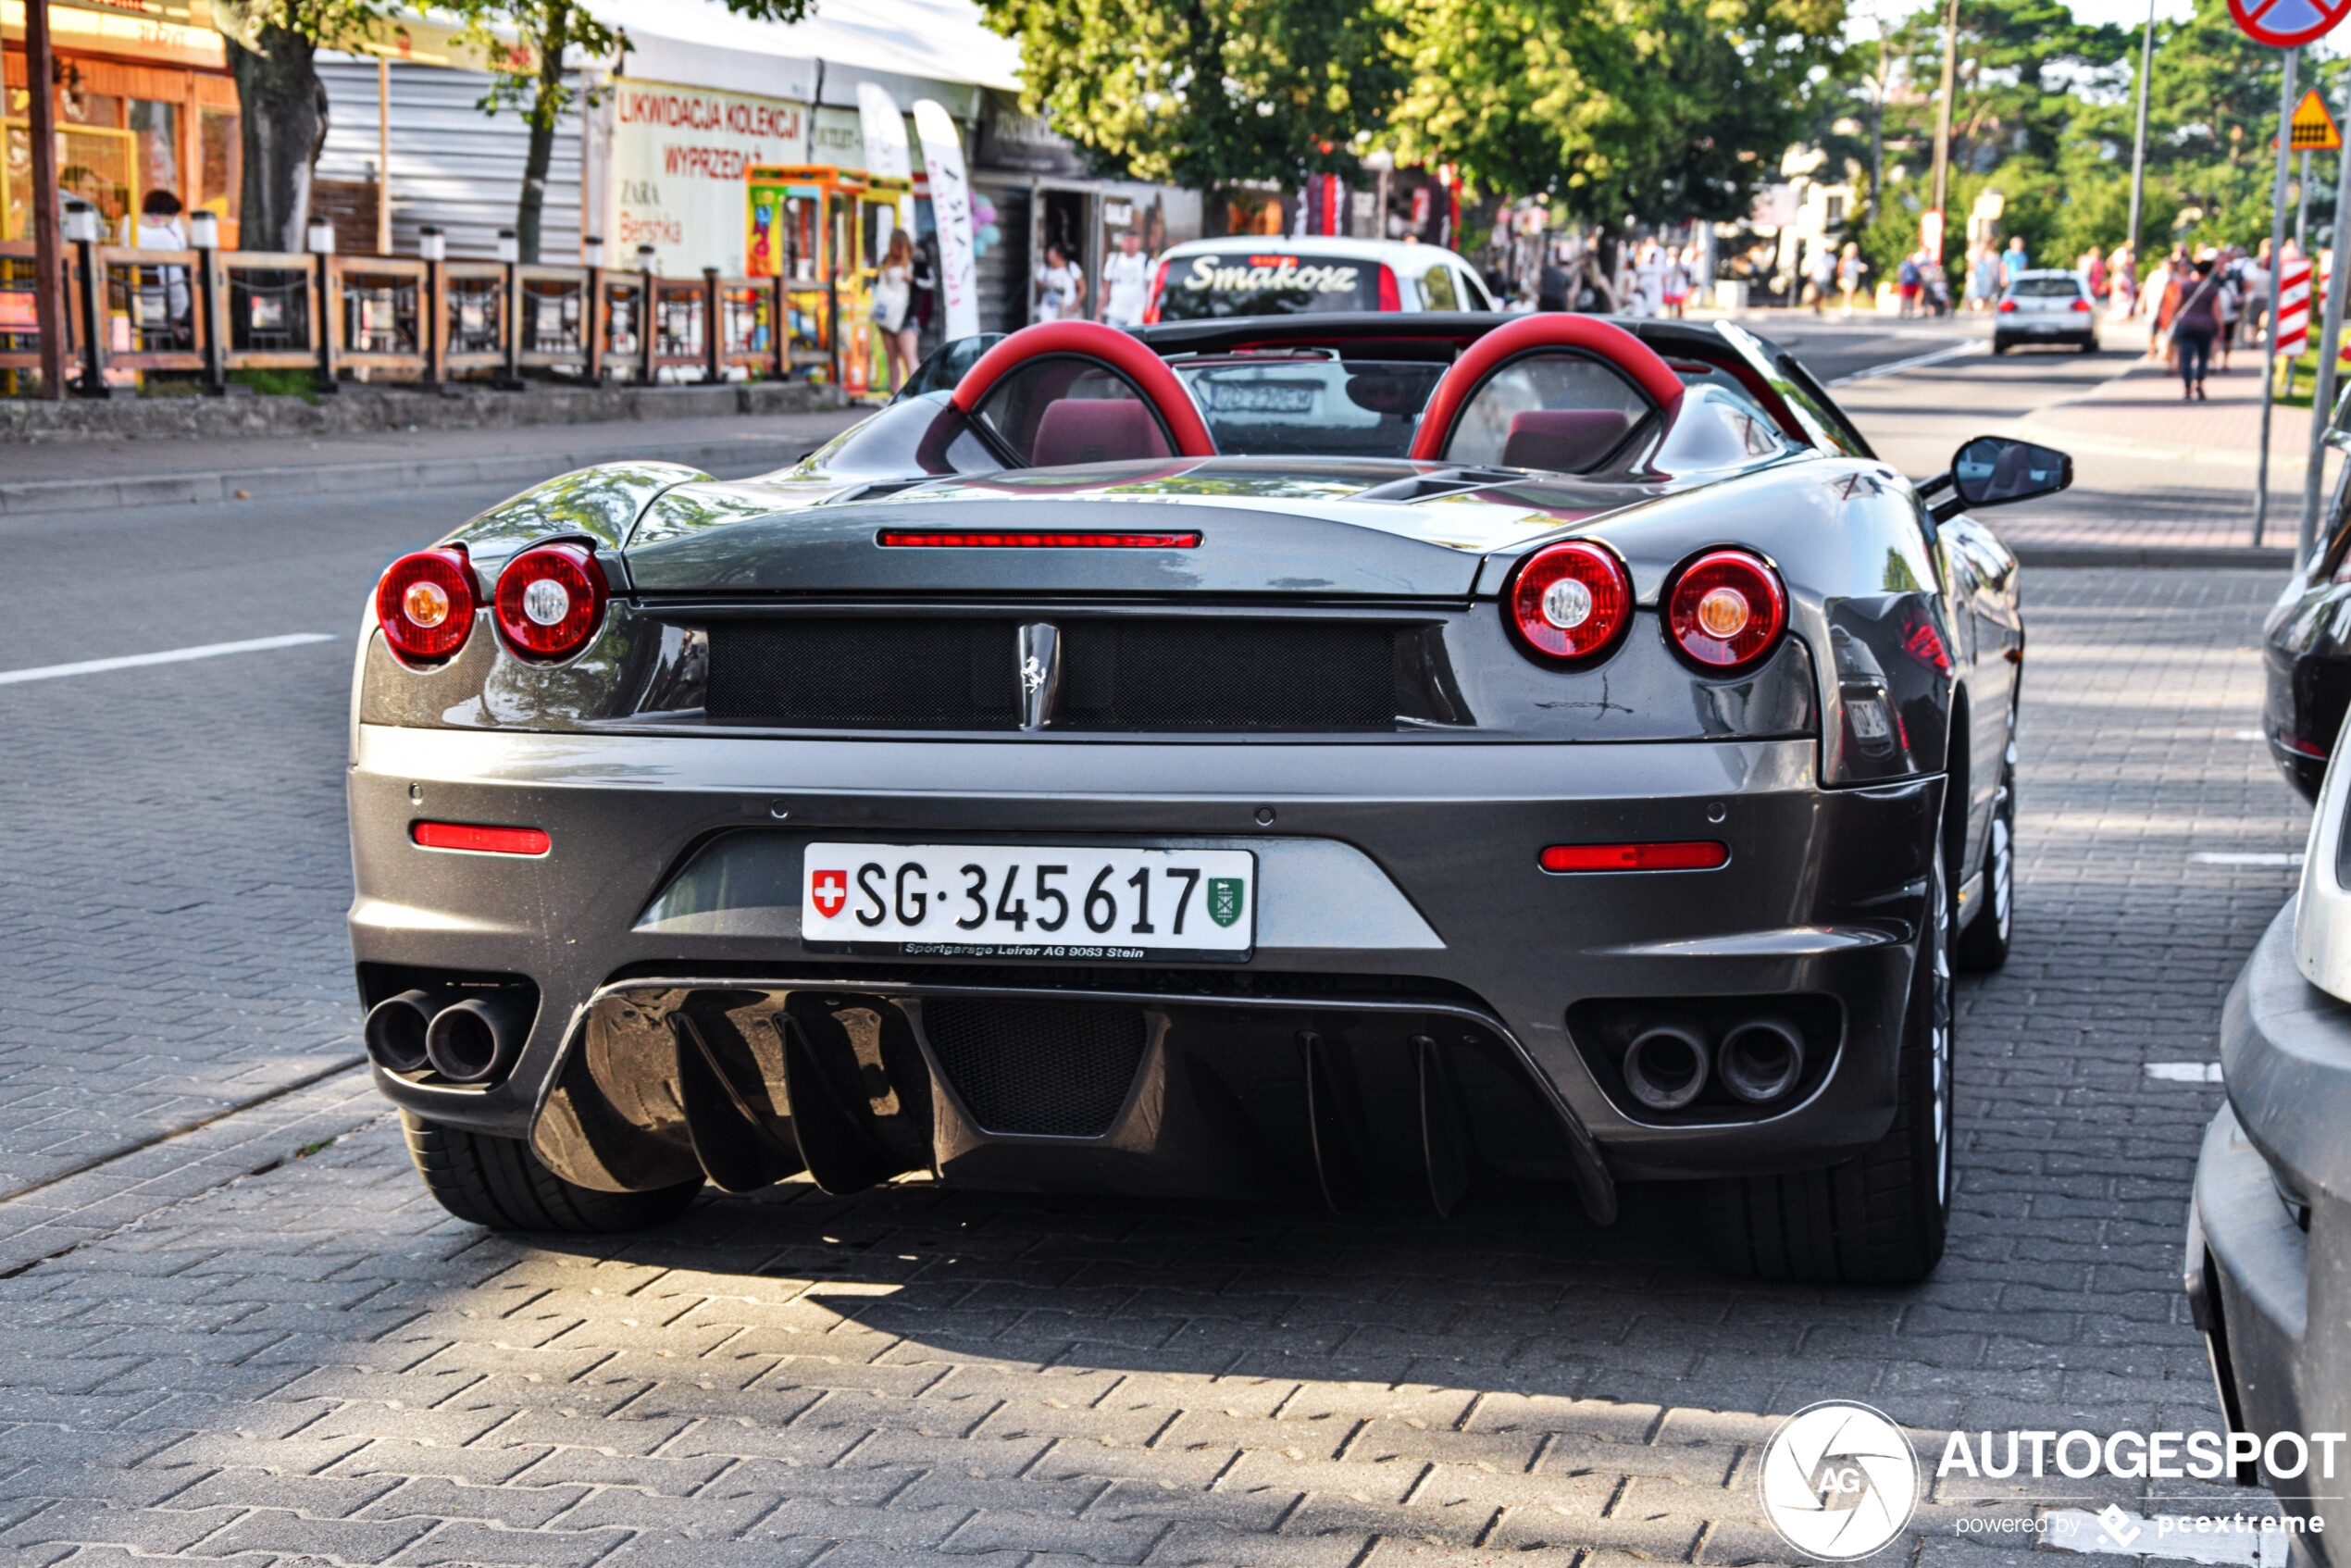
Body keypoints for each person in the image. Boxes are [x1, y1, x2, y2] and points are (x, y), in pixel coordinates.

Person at [2167, 255, 2226, 400]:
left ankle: (2187, 389)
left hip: (2186, 324)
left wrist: (2172, 319)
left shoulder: (2186, 285)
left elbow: (2177, 305)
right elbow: (2216, 310)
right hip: (2205, 326)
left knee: (2186, 358)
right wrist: (2221, 327)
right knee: (2203, 357)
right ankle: (2199, 382)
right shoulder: (2212, 289)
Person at [871, 230, 918, 391]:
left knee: (909, 358)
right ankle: (894, 395)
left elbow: (927, 283)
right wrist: (879, 275)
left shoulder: (915, 261)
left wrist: (913, 280)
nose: (895, 249)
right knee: (892, 358)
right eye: (893, 246)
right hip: (887, 315)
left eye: (898, 246)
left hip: (906, 316)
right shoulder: (886, 260)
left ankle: (917, 395)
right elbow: (877, 283)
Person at [1098, 229, 1152, 330]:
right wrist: (1098, 313)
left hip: (1137, 316)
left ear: (1139, 243)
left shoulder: (1146, 262)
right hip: (1115, 313)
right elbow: (1105, 289)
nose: (1129, 244)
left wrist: (1149, 313)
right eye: (1126, 241)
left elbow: (1151, 291)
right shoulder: (1114, 260)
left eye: (1132, 241)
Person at [1033, 242, 1085, 322]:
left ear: (1060, 256)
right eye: (1049, 255)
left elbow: (1082, 288)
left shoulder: (1071, 267)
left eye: (1052, 255)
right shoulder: (1045, 268)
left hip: (1067, 309)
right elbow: (1038, 283)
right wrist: (1046, 285)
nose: (1050, 258)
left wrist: (1075, 305)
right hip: (1049, 309)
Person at [1837, 243, 1867, 313]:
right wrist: (1840, 278)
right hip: (1846, 278)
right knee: (1848, 291)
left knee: (1851, 292)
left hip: (1854, 278)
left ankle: (1848, 305)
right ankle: (1846, 306)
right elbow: (1840, 269)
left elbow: (1857, 267)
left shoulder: (1856, 259)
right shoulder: (1844, 259)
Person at [1805, 246, 1835, 315]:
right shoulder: (1818, 255)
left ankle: (1818, 305)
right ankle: (1815, 306)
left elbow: (1833, 267)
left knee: (1822, 293)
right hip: (1817, 277)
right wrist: (1810, 278)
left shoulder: (1831, 257)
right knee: (1816, 293)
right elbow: (1811, 267)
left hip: (1826, 277)